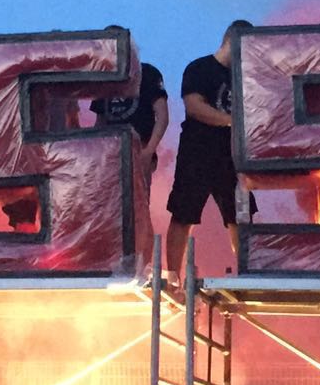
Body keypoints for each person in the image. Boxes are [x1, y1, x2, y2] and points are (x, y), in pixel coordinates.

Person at [165, 21, 252, 279]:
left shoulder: (247, 75)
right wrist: (232, 121)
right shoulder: (199, 68)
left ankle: (246, 273)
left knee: (240, 215)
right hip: (197, 151)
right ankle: (173, 277)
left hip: (233, 155)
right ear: (231, 41)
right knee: (183, 213)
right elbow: (194, 107)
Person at [89, 27, 169, 173]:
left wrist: (148, 151)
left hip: (140, 149)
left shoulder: (147, 73)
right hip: (110, 154)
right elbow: (100, 122)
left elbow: (162, 117)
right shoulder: (102, 79)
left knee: (137, 186)